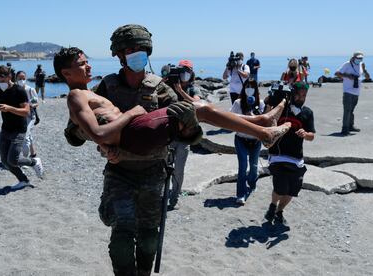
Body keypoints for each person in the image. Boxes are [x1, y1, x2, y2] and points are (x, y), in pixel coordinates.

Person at [57, 28, 290, 275]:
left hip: (153, 170)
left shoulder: (160, 88)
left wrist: (187, 128)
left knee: (148, 239)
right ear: (120, 56)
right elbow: (78, 130)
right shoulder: (106, 87)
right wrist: (105, 146)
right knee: (122, 240)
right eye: (131, 50)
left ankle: (263, 124)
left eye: (142, 50)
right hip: (120, 172)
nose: (138, 55)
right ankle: (263, 125)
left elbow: (187, 133)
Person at [264, 81, 315, 225]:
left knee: (292, 191)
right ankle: (273, 205)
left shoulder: (307, 113)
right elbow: (266, 114)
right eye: (298, 95)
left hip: (296, 158)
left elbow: (312, 136)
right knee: (281, 188)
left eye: (304, 95)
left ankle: (278, 211)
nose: (301, 98)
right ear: (292, 94)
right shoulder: (281, 108)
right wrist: (273, 100)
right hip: (277, 156)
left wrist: (305, 134)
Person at [0, 65, 44, 190]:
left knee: (13, 160)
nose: (0, 83)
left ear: (9, 77)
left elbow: (26, 112)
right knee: (5, 161)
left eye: (2, 80)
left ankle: (34, 162)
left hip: (19, 129)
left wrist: (10, 109)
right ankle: (23, 180)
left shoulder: (19, 90)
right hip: (5, 129)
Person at [164, 59, 201, 210]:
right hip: (167, 135)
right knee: (163, 167)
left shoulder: (193, 89)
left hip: (184, 137)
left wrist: (180, 91)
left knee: (179, 170)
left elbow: (196, 104)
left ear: (192, 73)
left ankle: (175, 197)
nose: (185, 73)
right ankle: (163, 194)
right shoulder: (167, 87)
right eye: (182, 70)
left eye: (188, 70)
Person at [230, 78, 265, 205]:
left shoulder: (260, 103)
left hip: (255, 140)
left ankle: (252, 184)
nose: (249, 89)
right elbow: (229, 118)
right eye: (247, 86)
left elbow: (264, 121)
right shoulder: (238, 103)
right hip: (241, 139)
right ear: (244, 88)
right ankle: (241, 194)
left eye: (252, 87)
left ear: (256, 89)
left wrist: (255, 115)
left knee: (254, 167)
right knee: (243, 166)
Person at [335, 52, 370, 136]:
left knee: (351, 110)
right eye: (358, 58)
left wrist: (364, 69)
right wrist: (347, 76)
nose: (359, 60)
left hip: (356, 91)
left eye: (361, 58)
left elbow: (368, 77)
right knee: (347, 110)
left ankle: (350, 126)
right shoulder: (347, 64)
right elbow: (337, 73)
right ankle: (345, 129)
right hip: (348, 91)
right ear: (353, 57)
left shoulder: (361, 65)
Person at [16, 71, 39, 158]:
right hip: (19, 116)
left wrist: (30, 105)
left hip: (30, 116)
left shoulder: (30, 90)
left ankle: (24, 160)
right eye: (20, 78)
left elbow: (36, 102)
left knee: (25, 137)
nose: (22, 80)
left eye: (23, 78)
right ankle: (33, 154)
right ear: (16, 79)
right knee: (28, 134)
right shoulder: (15, 89)